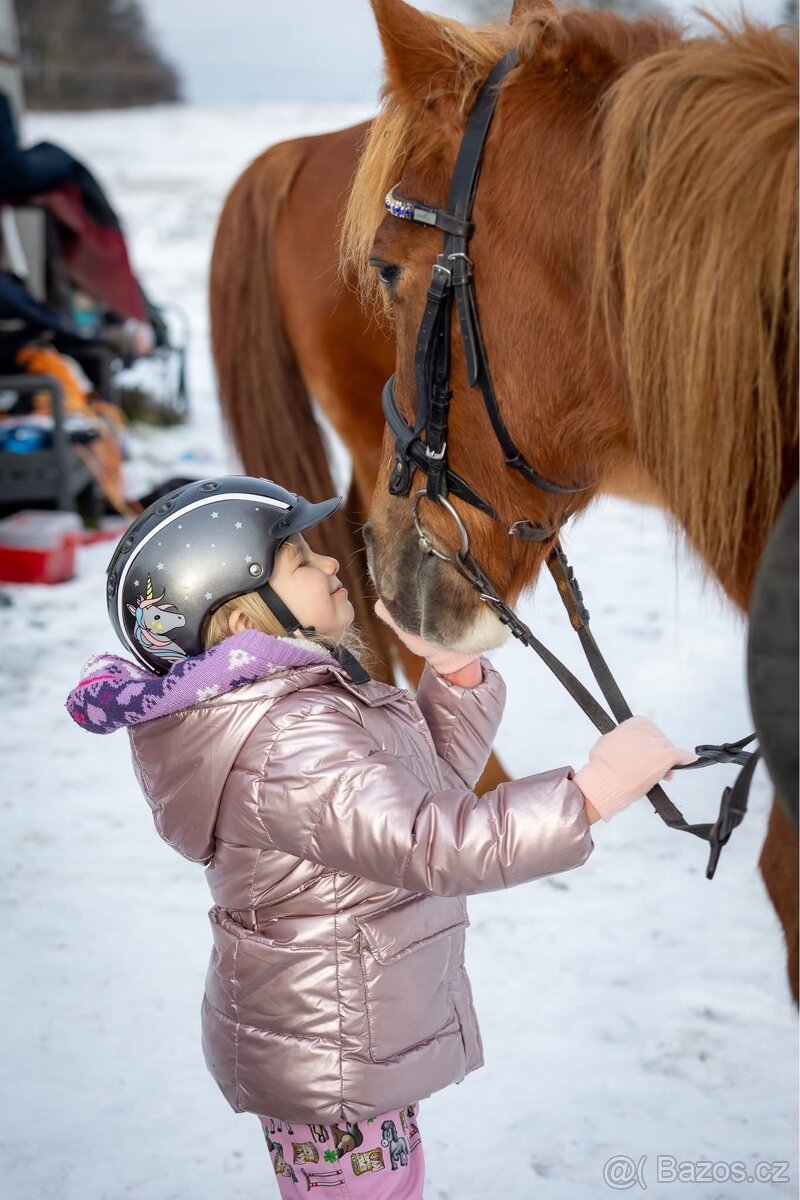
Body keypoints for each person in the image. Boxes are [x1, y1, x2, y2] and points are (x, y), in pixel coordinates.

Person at [67, 475, 695, 1199]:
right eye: (302, 562)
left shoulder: (291, 709)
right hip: (331, 1045)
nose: (331, 564)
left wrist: (455, 680)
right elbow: (433, 843)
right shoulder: (287, 738)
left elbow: (411, 796)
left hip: (347, 1028)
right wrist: (590, 794)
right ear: (245, 625)